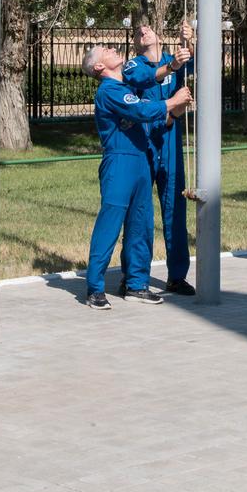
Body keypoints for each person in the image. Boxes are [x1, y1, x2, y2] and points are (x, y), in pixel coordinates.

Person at [83, 43, 192, 310]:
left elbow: (154, 120)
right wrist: (171, 101)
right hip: (119, 161)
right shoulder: (109, 91)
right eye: (105, 51)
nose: (112, 49)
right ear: (99, 66)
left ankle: (136, 283)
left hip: (142, 160)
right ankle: (95, 288)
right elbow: (140, 112)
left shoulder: (129, 90)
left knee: (141, 224)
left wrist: (174, 111)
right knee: (110, 223)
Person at [122, 20, 195, 295]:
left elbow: (197, 66)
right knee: (139, 213)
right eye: (138, 33)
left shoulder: (174, 56)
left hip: (170, 143)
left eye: (148, 29)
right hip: (144, 142)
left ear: (159, 35)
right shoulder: (134, 65)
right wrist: (172, 67)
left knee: (176, 209)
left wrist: (191, 40)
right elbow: (140, 80)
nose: (143, 32)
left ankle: (177, 276)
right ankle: (133, 275)